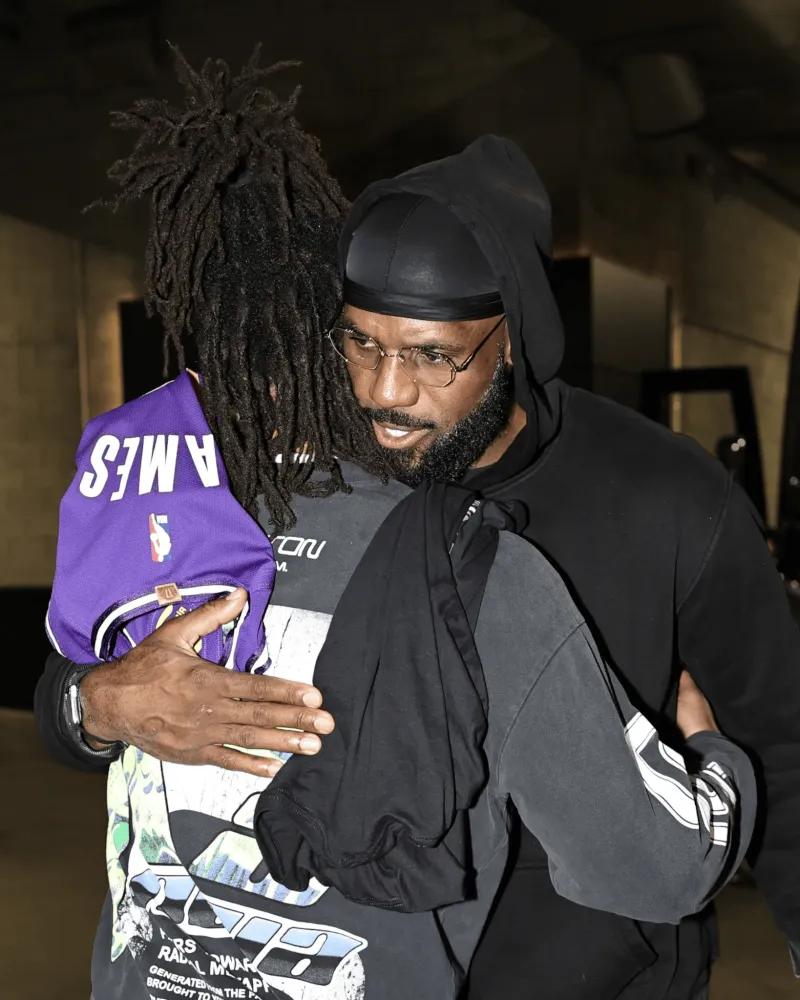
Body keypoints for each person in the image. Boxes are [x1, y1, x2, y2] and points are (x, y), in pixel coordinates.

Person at [35, 50, 755, 1000]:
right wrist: (716, 763)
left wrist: (98, 708)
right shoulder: (483, 572)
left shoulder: (154, 518)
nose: (391, 383)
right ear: (346, 331)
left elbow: (69, 696)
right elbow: (652, 871)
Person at [330, 136, 800, 999]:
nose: (384, 392)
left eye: (433, 355)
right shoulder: (327, 488)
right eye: (361, 343)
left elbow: (787, 749)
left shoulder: (668, 495)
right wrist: (90, 708)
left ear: (516, 335)